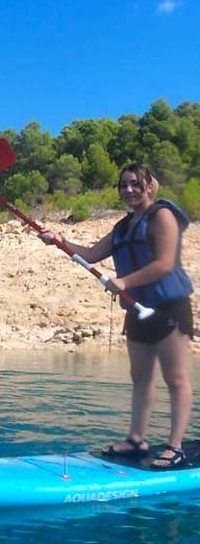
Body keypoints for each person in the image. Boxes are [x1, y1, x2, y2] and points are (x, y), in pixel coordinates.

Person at [40, 163, 194, 469]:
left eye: (135, 183)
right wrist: (58, 240)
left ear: (150, 185)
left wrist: (124, 282)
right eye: (123, 185)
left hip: (169, 309)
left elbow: (164, 264)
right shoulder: (123, 227)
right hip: (137, 313)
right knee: (140, 378)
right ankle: (137, 438)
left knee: (175, 378)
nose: (129, 190)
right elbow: (90, 254)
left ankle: (175, 447)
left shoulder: (162, 215)